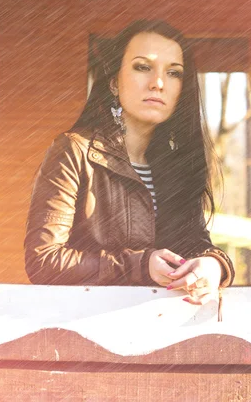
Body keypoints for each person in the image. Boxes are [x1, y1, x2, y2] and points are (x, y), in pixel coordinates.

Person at [24, 20, 234, 315]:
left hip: (165, 331)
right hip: (89, 329)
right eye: (142, 67)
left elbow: (195, 246)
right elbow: (44, 261)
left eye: (173, 73)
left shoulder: (176, 166)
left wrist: (215, 266)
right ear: (113, 81)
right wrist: (139, 264)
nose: (158, 83)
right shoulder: (74, 151)